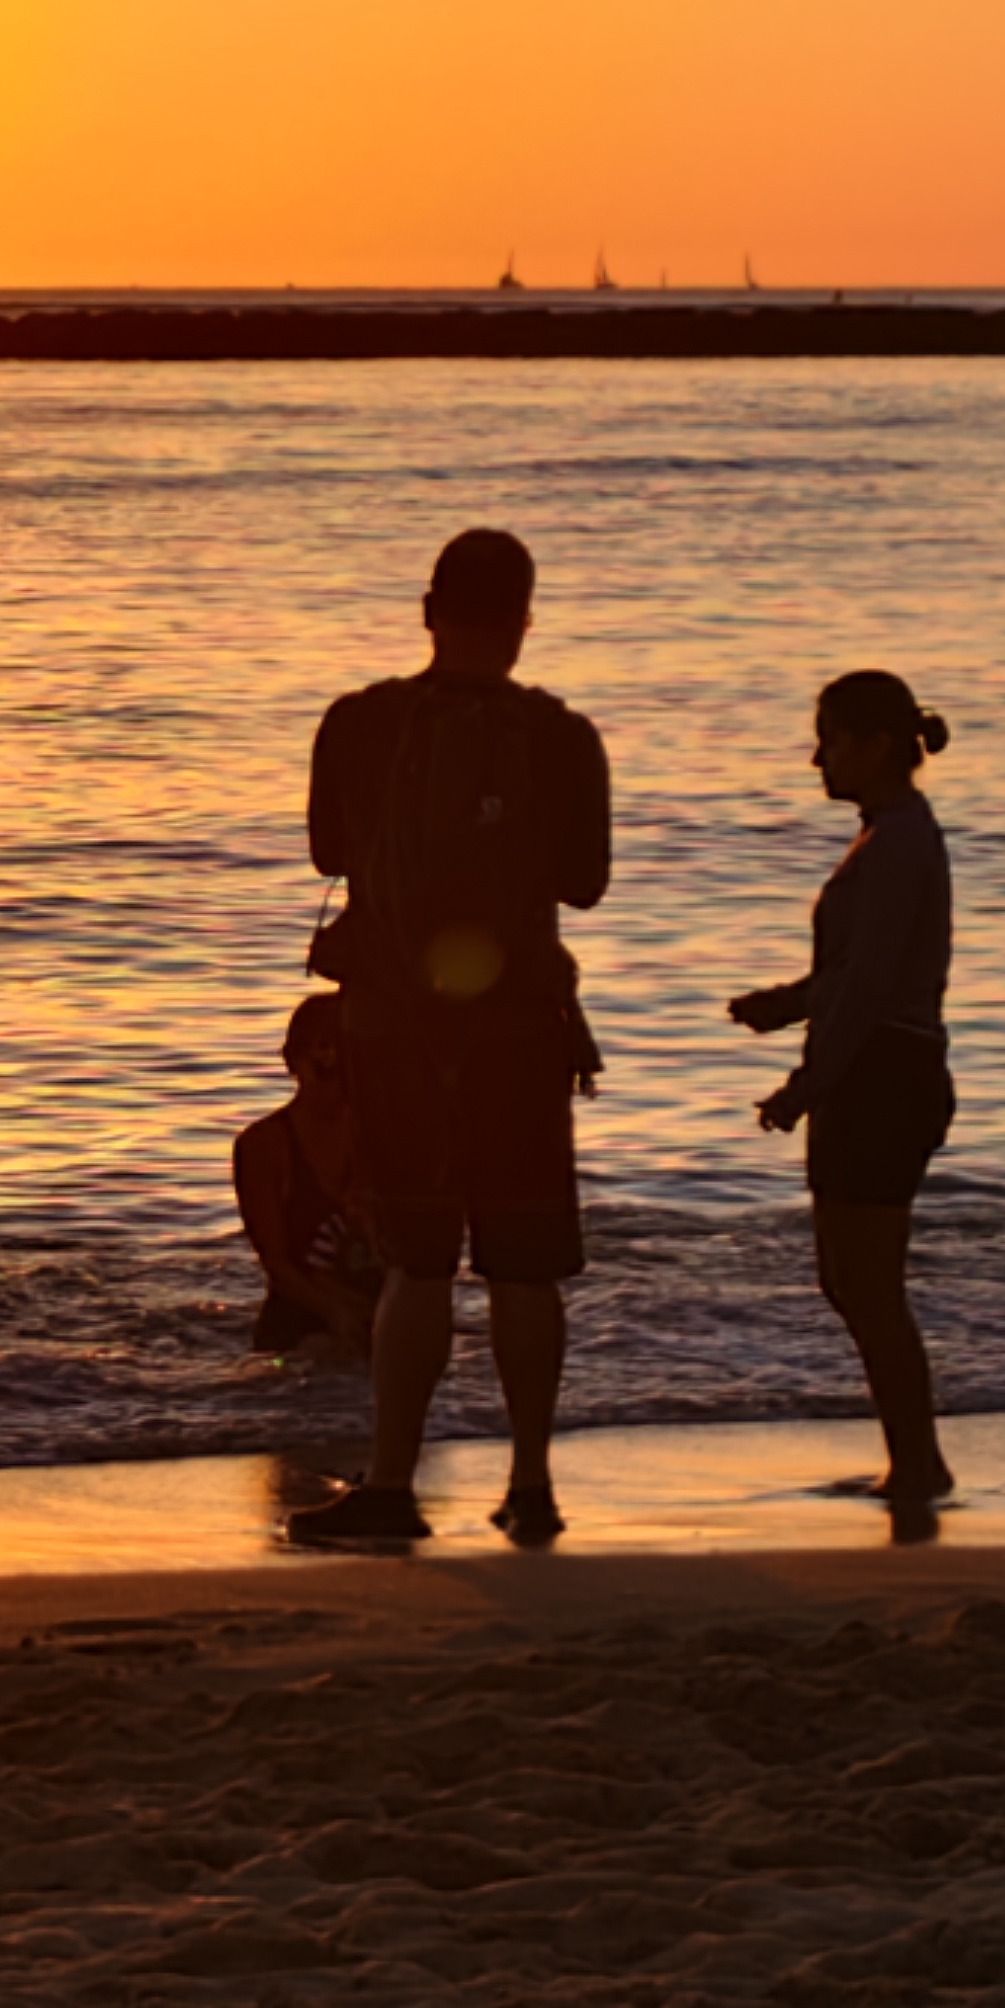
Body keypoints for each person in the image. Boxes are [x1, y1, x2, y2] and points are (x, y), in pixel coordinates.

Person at [286, 526, 611, 1549]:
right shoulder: (563, 735)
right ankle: (532, 1484)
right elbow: (586, 883)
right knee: (524, 1265)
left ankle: (390, 1485)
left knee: (418, 1264)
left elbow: (326, 850)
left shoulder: (356, 722)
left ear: (429, 609)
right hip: (519, 1027)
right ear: (524, 621)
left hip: (393, 1028)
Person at [728, 670, 957, 1509]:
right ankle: (912, 1456)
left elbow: (870, 987)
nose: (815, 755)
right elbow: (852, 971)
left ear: (876, 745)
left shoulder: (899, 840)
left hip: (884, 1076)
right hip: (870, 1069)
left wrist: (806, 1085)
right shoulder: (883, 836)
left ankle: (919, 1462)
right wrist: (786, 1007)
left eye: (828, 737)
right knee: (848, 1281)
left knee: (867, 1284)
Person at [233, 994, 382, 1361]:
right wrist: (337, 1313)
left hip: (378, 1311)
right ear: (293, 1062)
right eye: (324, 1065)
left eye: (350, 1064)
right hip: (301, 1318)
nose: (337, 1079)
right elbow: (277, 1263)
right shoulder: (264, 1146)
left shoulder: (382, 1137)